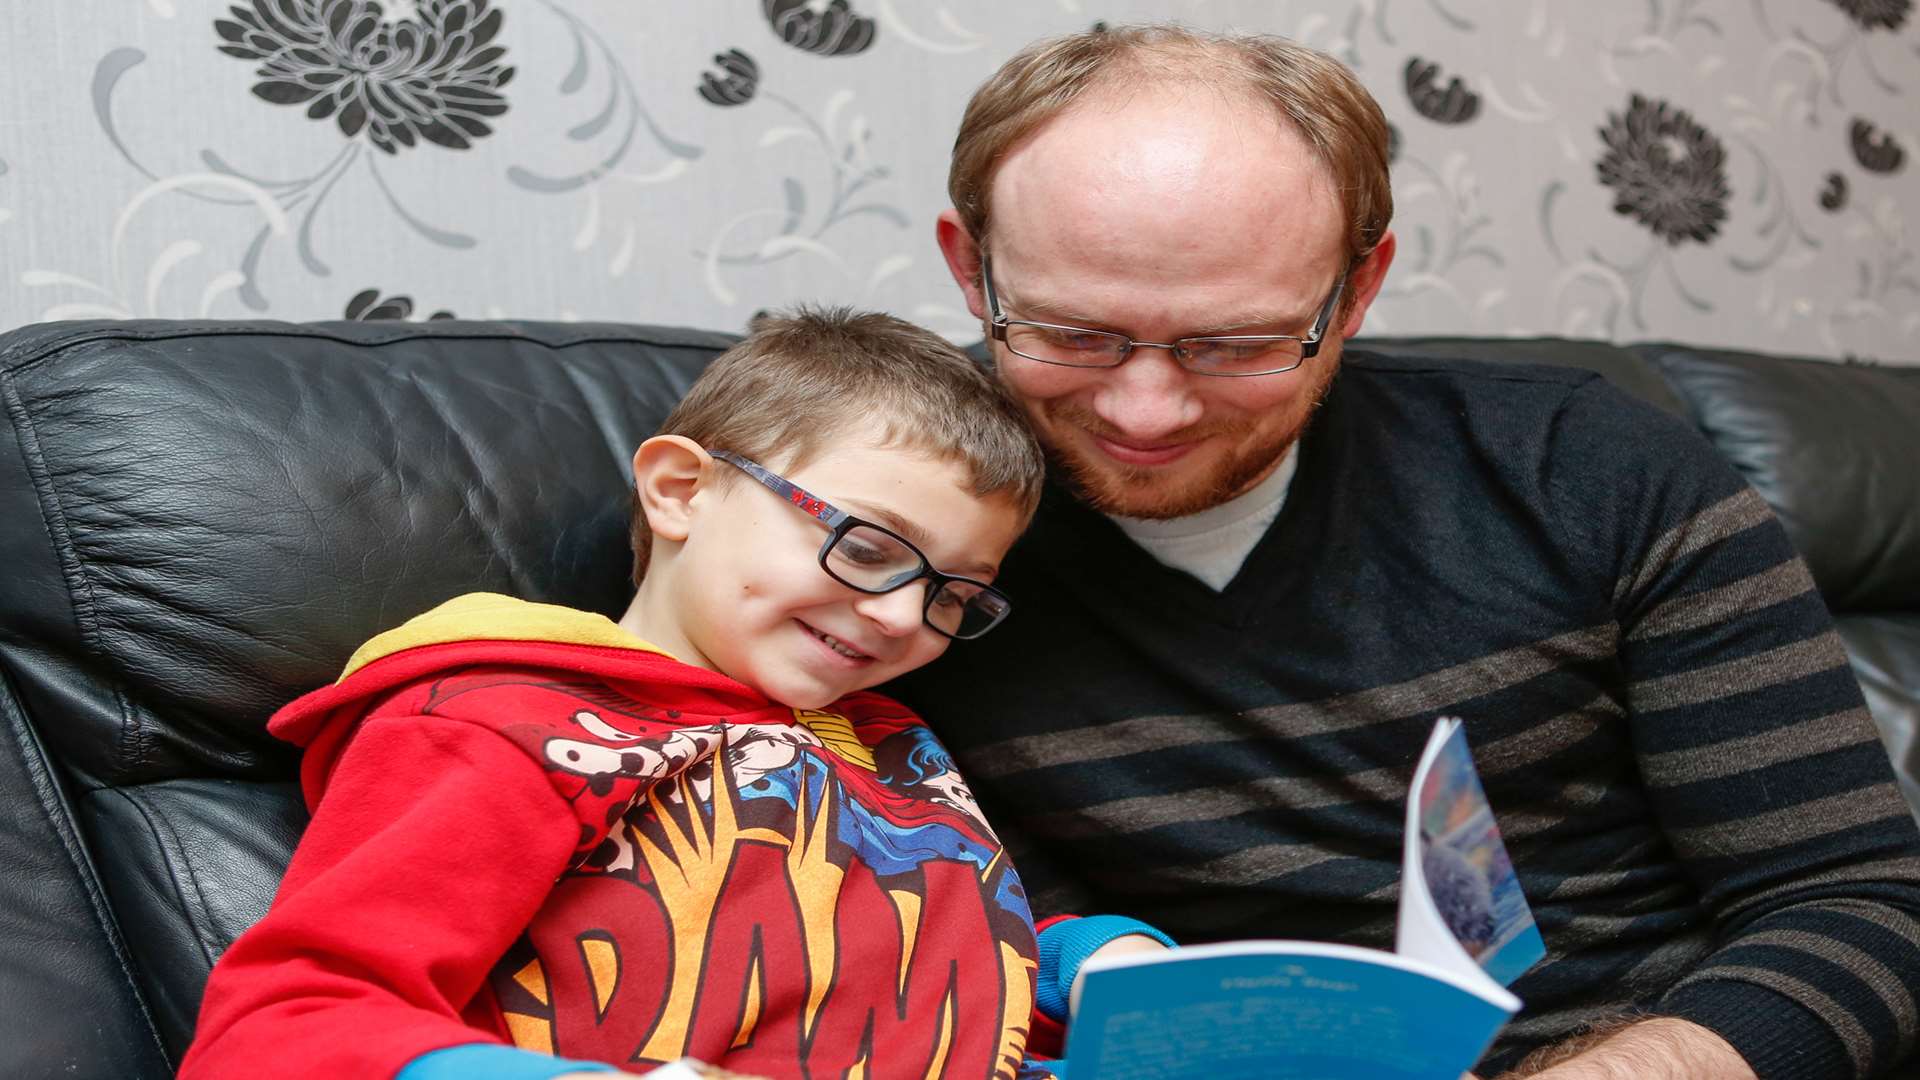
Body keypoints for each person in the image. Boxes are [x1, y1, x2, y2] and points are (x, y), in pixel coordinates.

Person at [893, 24, 1920, 1080]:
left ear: (1359, 288)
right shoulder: (882, 539)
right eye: (1072, 333)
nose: (1144, 409)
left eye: (1237, 345)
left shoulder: (1589, 472)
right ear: (972, 270)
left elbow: (1862, 903)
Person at [181, 308, 1169, 1080]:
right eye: (866, 546)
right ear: (681, 490)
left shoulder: (887, 744)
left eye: (953, 594)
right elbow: (287, 1022)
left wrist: (1093, 964)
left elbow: (921, 981)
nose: (904, 617)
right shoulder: (507, 720)